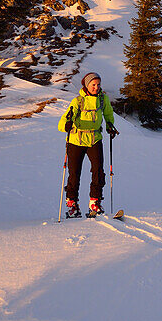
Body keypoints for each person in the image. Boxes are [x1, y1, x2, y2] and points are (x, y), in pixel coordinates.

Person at [59, 72, 118, 218]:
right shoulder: (78, 101)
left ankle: (95, 203)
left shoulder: (103, 99)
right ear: (87, 85)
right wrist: (67, 125)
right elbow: (63, 121)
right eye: (93, 85)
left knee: (98, 171)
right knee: (74, 174)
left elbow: (108, 115)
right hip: (76, 140)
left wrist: (110, 126)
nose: (96, 87)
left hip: (94, 139)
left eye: (98, 84)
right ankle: (72, 205)